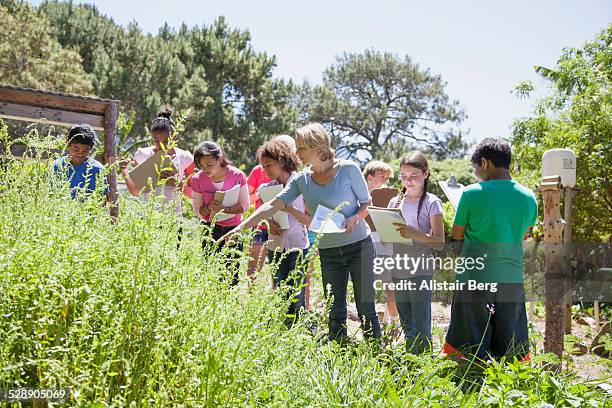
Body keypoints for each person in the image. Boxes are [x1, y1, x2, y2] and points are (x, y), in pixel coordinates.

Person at [221, 123, 381, 341]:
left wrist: (354, 217)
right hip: (329, 251)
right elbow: (272, 205)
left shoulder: (348, 169)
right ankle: (340, 355)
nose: (296, 154)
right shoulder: (301, 179)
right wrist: (240, 228)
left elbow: (366, 203)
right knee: (335, 311)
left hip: (359, 246)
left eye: (301, 148)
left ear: (317, 146)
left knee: (365, 307)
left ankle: (375, 356)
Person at [443, 137, 537, 362]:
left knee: (468, 345)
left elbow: (457, 234)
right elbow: (524, 235)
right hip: (511, 277)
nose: (476, 172)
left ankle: (469, 383)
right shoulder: (529, 196)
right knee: (510, 344)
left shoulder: (471, 193)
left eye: (476, 167)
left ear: (484, 162)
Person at [388, 151, 445, 353]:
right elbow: (388, 238)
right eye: (403, 176)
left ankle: (424, 370)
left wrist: (415, 234)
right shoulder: (394, 203)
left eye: (413, 176)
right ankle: (412, 366)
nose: (408, 181)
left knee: (421, 326)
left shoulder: (432, 202)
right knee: (407, 325)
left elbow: (439, 242)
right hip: (398, 269)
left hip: (420, 270)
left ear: (426, 174)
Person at [257, 139, 310, 324]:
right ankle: (283, 331)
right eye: (263, 166)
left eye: (269, 164)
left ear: (281, 160)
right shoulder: (266, 188)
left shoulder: (302, 182)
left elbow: (310, 220)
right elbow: (261, 214)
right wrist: (269, 222)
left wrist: (291, 210)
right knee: (281, 290)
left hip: (298, 244)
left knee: (297, 293)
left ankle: (300, 331)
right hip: (275, 245)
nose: (266, 169)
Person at [191, 141, 249, 286]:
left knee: (231, 274)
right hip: (210, 229)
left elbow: (245, 206)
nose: (205, 169)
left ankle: (229, 304)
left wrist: (226, 210)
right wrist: (210, 207)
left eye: (209, 165)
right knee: (210, 271)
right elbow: (198, 211)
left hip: (233, 230)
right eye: (201, 166)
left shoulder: (237, 175)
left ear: (220, 159)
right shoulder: (197, 179)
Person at [119, 108, 194, 215]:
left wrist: (177, 183)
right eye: (155, 141)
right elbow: (135, 192)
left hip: (173, 219)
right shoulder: (141, 155)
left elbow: (192, 194)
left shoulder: (185, 157)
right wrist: (124, 171)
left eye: (166, 141)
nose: (160, 145)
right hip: (146, 218)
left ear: (174, 136)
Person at [362, 160, 400, 329]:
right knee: (366, 287)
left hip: (385, 246)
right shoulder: (358, 195)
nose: (385, 180)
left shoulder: (390, 198)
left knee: (388, 286)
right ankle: (371, 324)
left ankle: (394, 322)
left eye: (387, 177)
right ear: (369, 178)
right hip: (364, 244)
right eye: (381, 177)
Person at [53, 124, 109, 200]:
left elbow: (102, 199)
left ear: (91, 149)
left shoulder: (97, 169)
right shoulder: (58, 166)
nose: (80, 153)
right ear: (67, 143)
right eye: (76, 149)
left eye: (85, 150)